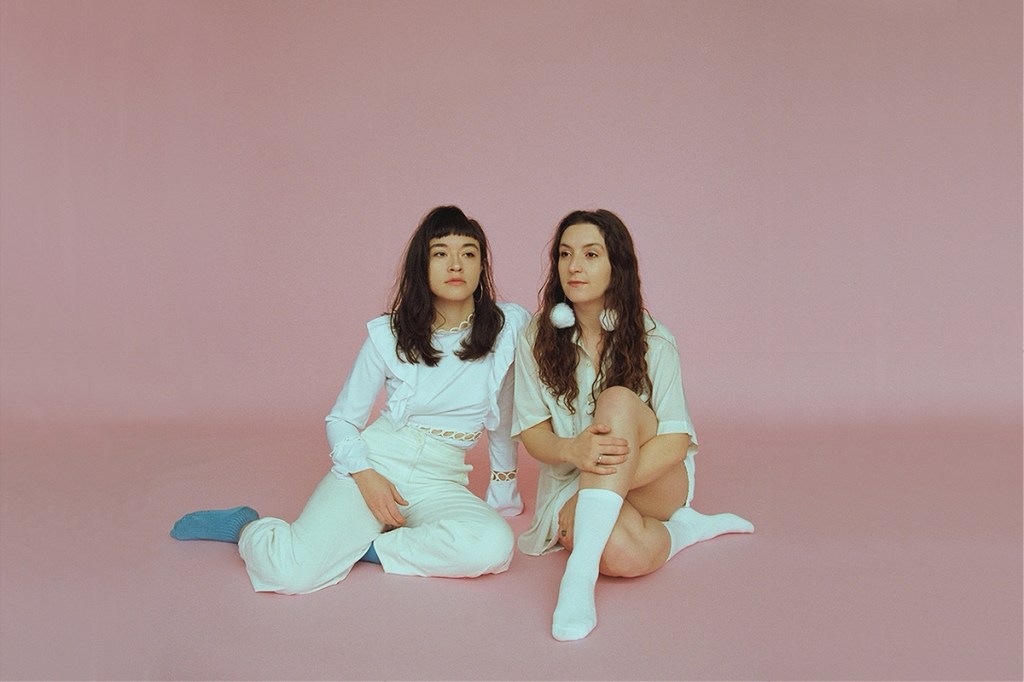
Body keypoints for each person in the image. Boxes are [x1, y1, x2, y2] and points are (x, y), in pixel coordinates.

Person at [170, 205, 529, 594]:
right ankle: (246, 526)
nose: (456, 264)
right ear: (422, 266)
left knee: (493, 546)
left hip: (441, 480)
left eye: (468, 253)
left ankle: (368, 548)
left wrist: (504, 486)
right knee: (292, 574)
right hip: (377, 462)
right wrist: (366, 476)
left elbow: (505, 412)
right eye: (440, 253)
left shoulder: (507, 327)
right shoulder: (390, 334)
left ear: (481, 266)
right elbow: (341, 419)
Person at [513, 209, 754, 641]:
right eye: (565, 254)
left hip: (656, 481)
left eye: (591, 254)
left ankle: (578, 576)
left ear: (616, 266)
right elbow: (534, 434)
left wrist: (600, 486)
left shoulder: (654, 339)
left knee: (619, 400)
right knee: (622, 555)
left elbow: (675, 441)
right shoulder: (535, 338)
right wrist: (571, 451)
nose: (574, 266)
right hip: (574, 481)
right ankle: (686, 530)